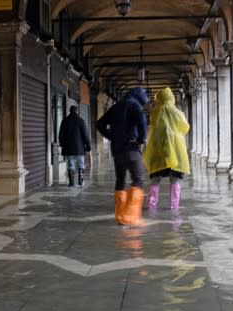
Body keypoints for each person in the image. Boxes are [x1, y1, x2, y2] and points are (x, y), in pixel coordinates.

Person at [95, 87, 149, 225]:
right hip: (131, 148)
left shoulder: (116, 106)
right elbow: (142, 122)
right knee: (138, 179)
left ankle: (119, 215)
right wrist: (141, 140)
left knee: (120, 180)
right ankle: (130, 217)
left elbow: (99, 124)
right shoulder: (135, 105)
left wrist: (111, 136)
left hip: (117, 150)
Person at [142, 87, 190, 210]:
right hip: (175, 149)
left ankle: (152, 205)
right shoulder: (176, 112)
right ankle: (174, 206)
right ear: (171, 98)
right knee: (174, 180)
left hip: (158, 150)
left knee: (156, 179)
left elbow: (152, 127)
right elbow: (184, 127)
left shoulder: (155, 112)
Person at [58, 105, 91, 187]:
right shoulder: (80, 121)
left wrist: (63, 144)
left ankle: (71, 182)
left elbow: (60, 135)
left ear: (69, 111)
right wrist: (88, 146)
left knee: (71, 165)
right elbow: (85, 135)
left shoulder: (65, 121)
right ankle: (80, 182)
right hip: (80, 148)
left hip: (69, 148)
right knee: (81, 164)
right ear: (77, 111)